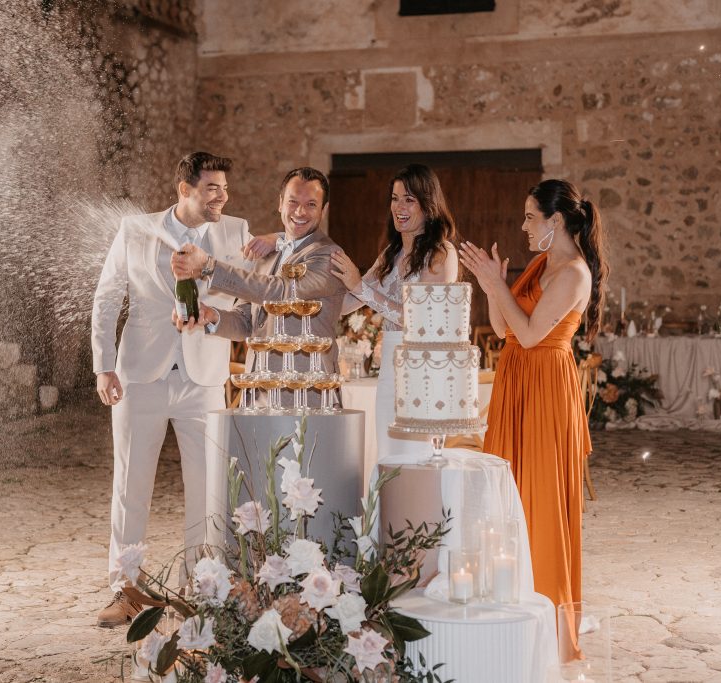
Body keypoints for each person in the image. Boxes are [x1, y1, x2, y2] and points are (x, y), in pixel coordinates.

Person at [91, 152, 254, 627]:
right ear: (184, 190)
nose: (221, 196)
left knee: (206, 487)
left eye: (224, 187)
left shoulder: (236, 233)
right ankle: (126, 589)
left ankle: (199, 588)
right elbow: (106, 298)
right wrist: (104, 366)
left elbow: (250, 292)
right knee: (130, 485)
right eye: (211, 188)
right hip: (140, 375)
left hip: (204, 376)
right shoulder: (134, 229)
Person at [458, 178, 607, 613]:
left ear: (555, 220)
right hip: (517, 379)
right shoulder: (539, 264)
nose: (523, 226)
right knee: (509, 491)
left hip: (545, 386)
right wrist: (492, 286)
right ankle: (510, 595)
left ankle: (546, 605)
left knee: (538, 499)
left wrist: (496, 284)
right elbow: (504, 330)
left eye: (529, 217)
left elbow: (528, 334)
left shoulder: (574, 273)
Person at [171, 167, 347, 405]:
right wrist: (211, 316)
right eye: (293, 201)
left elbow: (281, 292)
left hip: (306, 395)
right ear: (280, 203)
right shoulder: (267, 256)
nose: (300, 211)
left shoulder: (328, 255)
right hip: (260, 395)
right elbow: (247, 323)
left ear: (324, 210)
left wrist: (209, 267)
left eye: (311, 204)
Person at [329, 163, 458, 458]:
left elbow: (421, 321)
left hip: (423, 364)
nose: (399, 207)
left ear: (428, 205)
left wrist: (359, 286)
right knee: (389, 453)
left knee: (418, 455)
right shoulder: (390, 254)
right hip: (390, 362)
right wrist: (308, 302)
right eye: (395, 198)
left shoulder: (442, 253)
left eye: (409, 200)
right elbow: (349, 303)